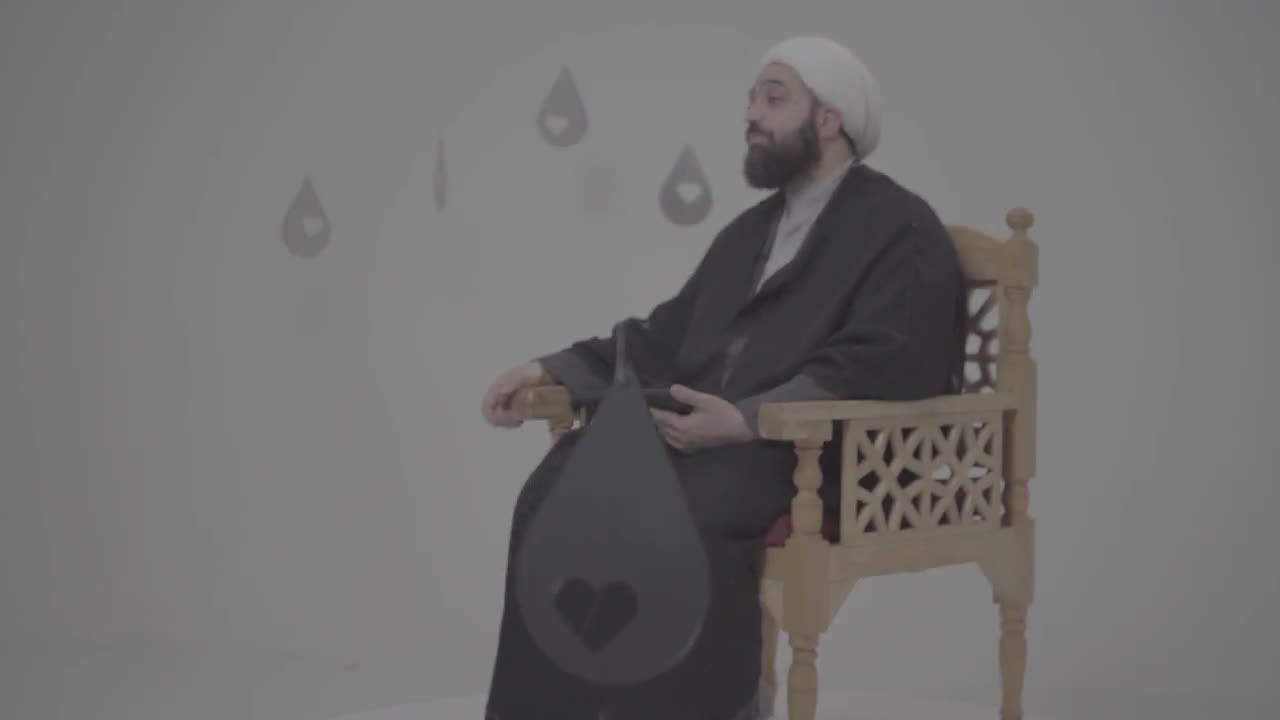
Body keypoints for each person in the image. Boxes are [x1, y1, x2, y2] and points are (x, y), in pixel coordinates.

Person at [479, 35, 967, 720]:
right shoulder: (750, 232)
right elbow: (666, 334)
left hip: (819, 455)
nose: (751, 112)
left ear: (829, 120)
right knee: (557, 485)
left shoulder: (899, 228)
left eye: (774, 98)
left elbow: (884, 362)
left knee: (675, 513)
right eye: (751, 97)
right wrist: (550, 367)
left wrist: (746, 420)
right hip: (706, 442)